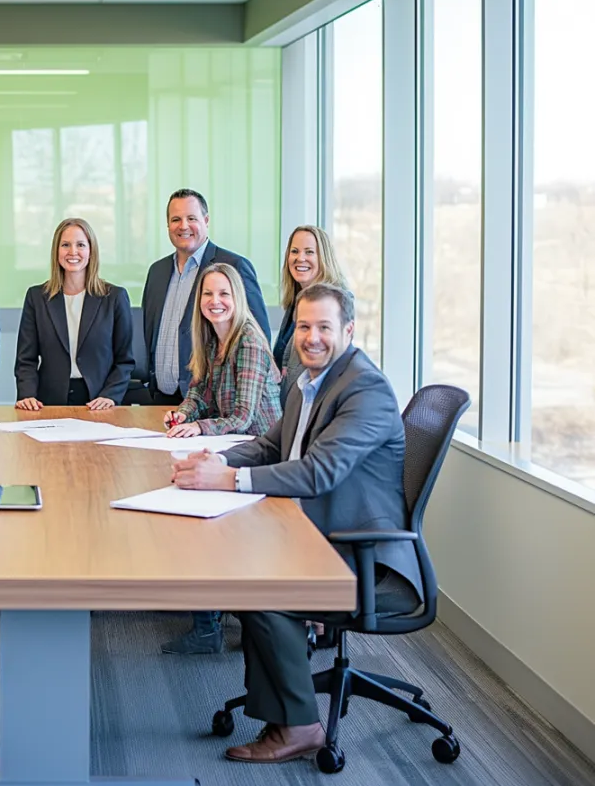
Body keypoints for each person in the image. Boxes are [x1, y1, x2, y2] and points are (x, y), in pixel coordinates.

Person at [170, 283, 422, 765]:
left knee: (261, 588)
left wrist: (228, 479)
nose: (312, 337)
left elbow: (316, 471)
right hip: (318, 532)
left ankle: (300, 725)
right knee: (246, 572)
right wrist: (209, 459)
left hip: (361, 553)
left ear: (348, 330)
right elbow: (273, 445)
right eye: (304, 326)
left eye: (324, 327)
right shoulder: (311, 381)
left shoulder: (363, 390)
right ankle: (283, 712)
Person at [158, 263, 282, 655]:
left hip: (260, 453)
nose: (215, 302)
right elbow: (200, 394)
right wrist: (184, 413)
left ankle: (212, 623)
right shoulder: (211, 339)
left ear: (237, 299)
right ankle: (208, 622)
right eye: (208, 295)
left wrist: (200, 429)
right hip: (232, 447)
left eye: (224, 294)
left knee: (195, 506)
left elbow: (244, 416)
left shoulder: (248, 341)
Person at [142, 188, 271, 406]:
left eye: (191, 218)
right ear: (167, 225)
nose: (183, 226)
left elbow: (259, 336)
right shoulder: (157, 272)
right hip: (160, 400)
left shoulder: (234, 266)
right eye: (176, 219)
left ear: (206, 220)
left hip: (212, 406)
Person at [15, 218, 135, 410]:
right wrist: (27, 395)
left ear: (91, 251)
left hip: (99, 402)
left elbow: (125, 360)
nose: (73, 252)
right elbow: (26, 360)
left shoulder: (114, 297)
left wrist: (110, 396)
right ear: (56, 251)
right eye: (65, 245)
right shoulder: (37, 297)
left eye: (80, 245)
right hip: (49, 403)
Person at [274, 225, 349, 409]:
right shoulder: (296, 303)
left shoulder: (336, 303)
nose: (300, 258)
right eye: (294, 251)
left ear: (323, 258)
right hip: (291, 414)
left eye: (309, 252)